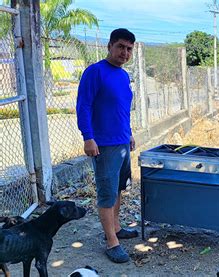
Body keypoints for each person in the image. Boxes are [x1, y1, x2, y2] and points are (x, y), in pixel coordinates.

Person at [76, 28, 137, 263]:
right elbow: (84, 106)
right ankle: (112, 242)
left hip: (122, 141)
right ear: (109, 46)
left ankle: (117, 227)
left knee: (119, 188)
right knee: (106, 193)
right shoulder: (95, 72)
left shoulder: (123, 75)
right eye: (120, 46)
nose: (125, 52)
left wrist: (129, 133)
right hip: (104, 145)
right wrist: (87, 137)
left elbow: (122, 109)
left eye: (129, 49)